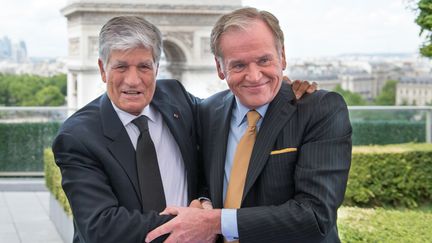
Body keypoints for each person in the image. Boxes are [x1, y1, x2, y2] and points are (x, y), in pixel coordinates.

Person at [52, 15, 315, 243]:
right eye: (121, 66)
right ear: (102, 69)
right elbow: (102, 227)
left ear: (157, 67)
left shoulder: (176, 98)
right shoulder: (77, 137)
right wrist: (196, 226)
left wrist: (275, 88)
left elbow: (224, 115)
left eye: (144, 66)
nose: (132, 80)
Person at [146, 7, 352, 243]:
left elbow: (315, 216)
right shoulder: (207, 113)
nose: (254, 76)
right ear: (220, 68)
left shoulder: (320, 110)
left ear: (282, 56)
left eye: (264, 60)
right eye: (239, 65)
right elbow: (204, 179)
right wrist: (204, 202)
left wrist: (213, 221)